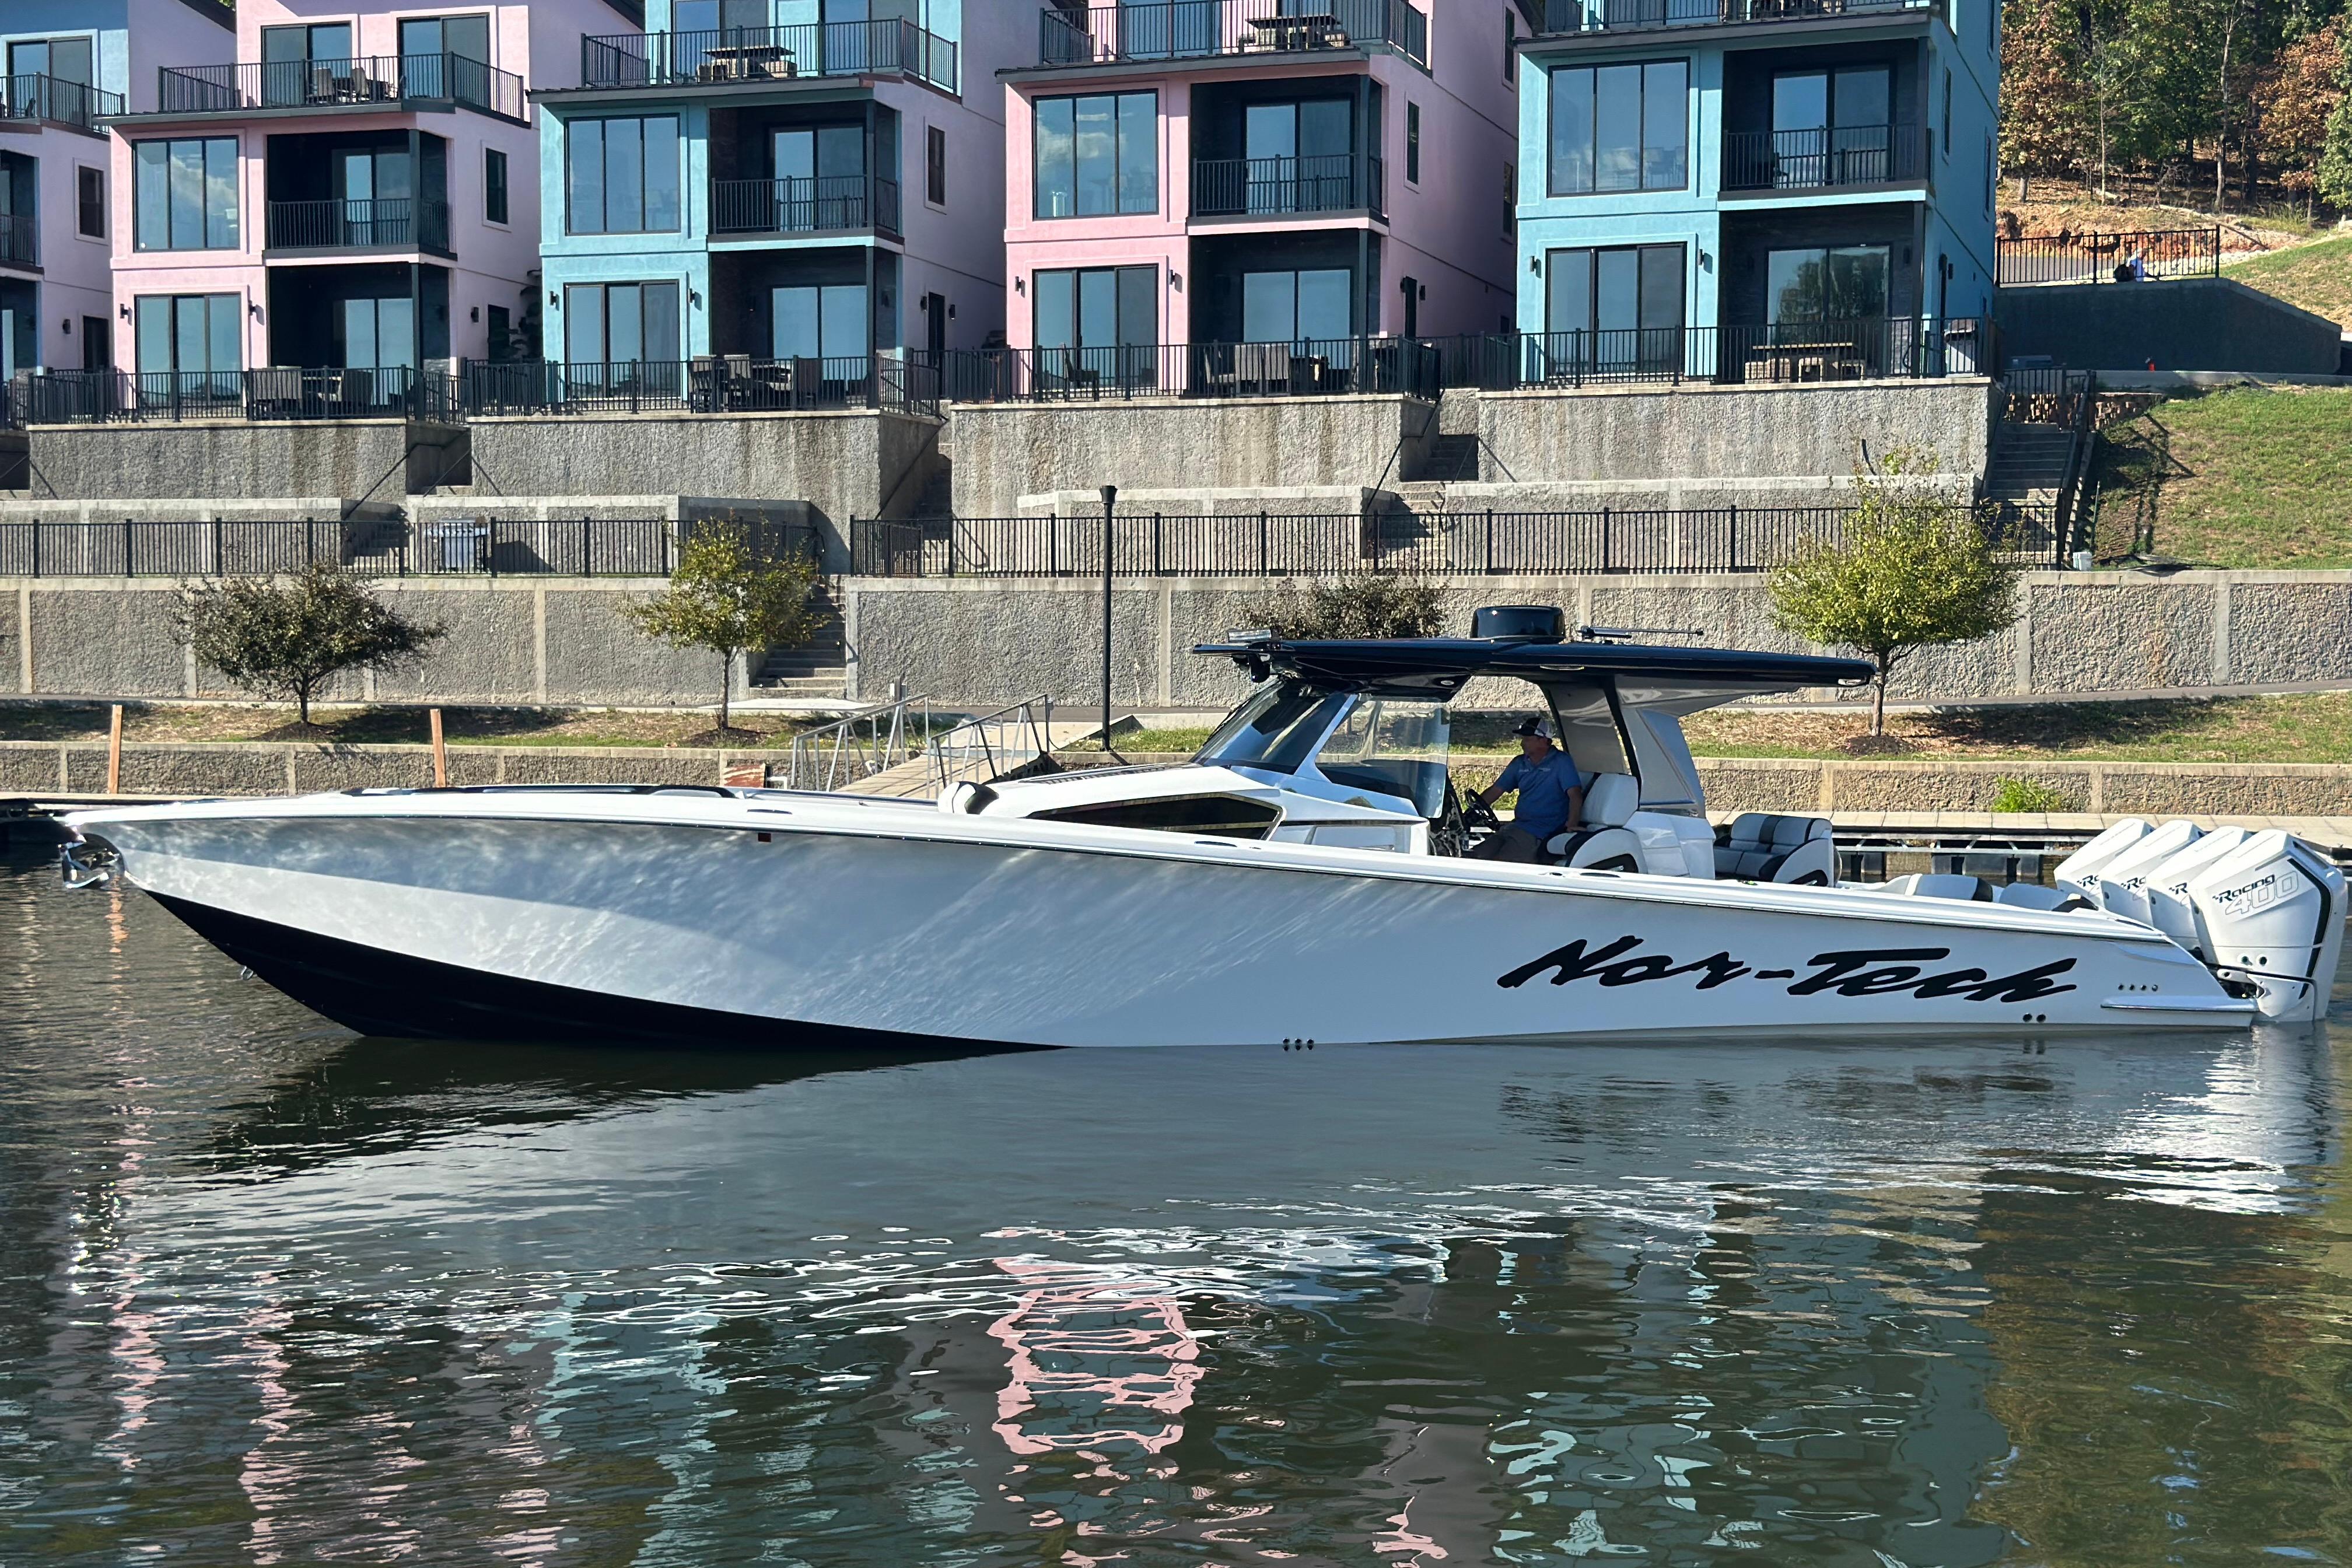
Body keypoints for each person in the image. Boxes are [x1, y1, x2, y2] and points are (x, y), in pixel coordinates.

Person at [1468, 716, 1585, 862]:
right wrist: (1469, 815)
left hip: (1540, 832)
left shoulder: (1561, 762)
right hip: (1515, 827)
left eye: (1528, 740)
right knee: (1473, 857)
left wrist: (1572, 825)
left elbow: (1575, 795)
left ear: (1543, 740)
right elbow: (1496, 791)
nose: (1523, 744)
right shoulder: (1520, 763)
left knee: (1500, 864)